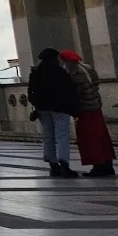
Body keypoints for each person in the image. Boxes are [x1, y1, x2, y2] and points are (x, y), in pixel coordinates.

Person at [62, 50, 115, 177]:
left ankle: (98, 165)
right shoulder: (87, 69)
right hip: (96, 106)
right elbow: (96, 85)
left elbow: (75, 93)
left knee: (90, 138)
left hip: (84, 109)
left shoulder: (74, 73)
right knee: (101, 136)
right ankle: (107, 163)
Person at [28, 47, 79, 178]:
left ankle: (53, 164)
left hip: (42, 109)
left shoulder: (35, 72)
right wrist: (73, 109)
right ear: (53, 59)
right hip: (59, 109)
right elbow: (68, 91)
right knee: (62, 136)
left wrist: (37, 106)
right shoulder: (59, 72)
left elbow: (31, 92)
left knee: (48, 136)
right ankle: (64, 164)